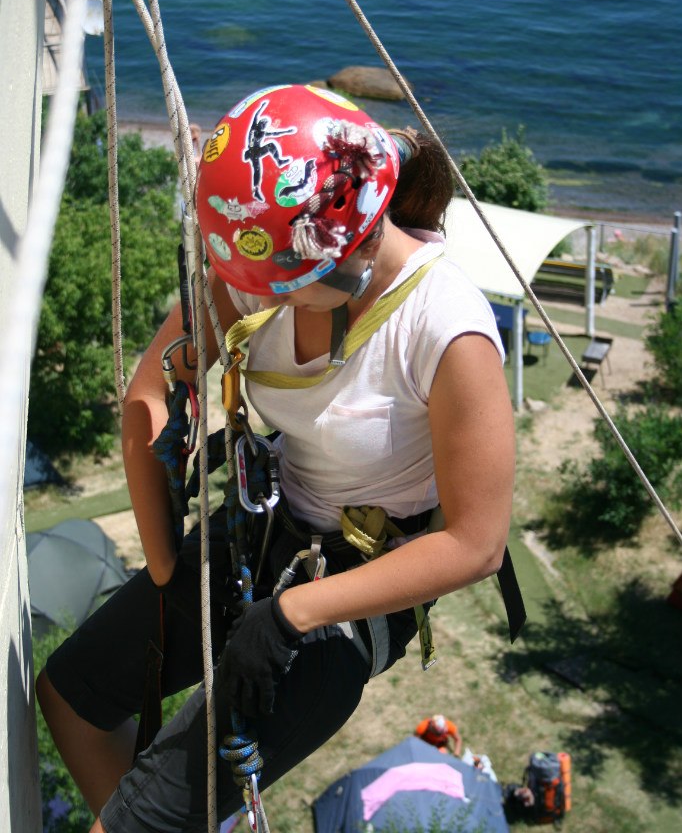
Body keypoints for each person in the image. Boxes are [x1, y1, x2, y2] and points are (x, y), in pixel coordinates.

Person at [36, 84, 516, 833]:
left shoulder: (446, 329)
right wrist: (165, 574)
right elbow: (148, 397)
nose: (266, 303)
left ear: (354, 252)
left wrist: (292, 614)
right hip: (265, 535)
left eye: (290, 290)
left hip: (351, 592)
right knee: (71, 697)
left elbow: (477, 542)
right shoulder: (276, 265)